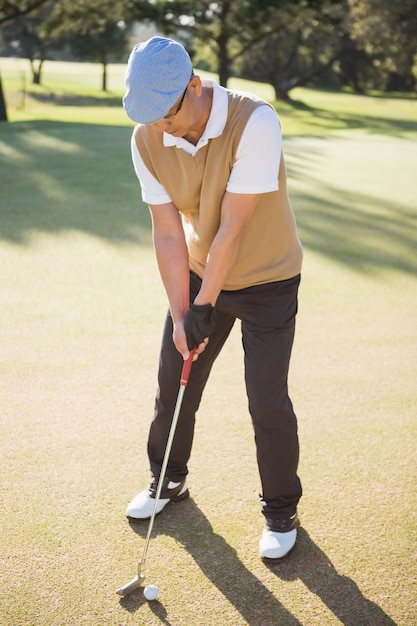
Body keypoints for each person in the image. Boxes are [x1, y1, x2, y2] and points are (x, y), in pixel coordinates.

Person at [122, 36, 303, 561]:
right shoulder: (146, 140)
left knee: (266, 397)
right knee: (173, 383)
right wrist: (184, 314)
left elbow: (233, 227)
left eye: (166, 113)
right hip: (203, 272)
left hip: (269, 277)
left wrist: (204, 306)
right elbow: (167, 233)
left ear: (194, 88)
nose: (160, 126)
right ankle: (168, 480)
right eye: (148, 116)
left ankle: (280, 510)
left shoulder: (256, 122)